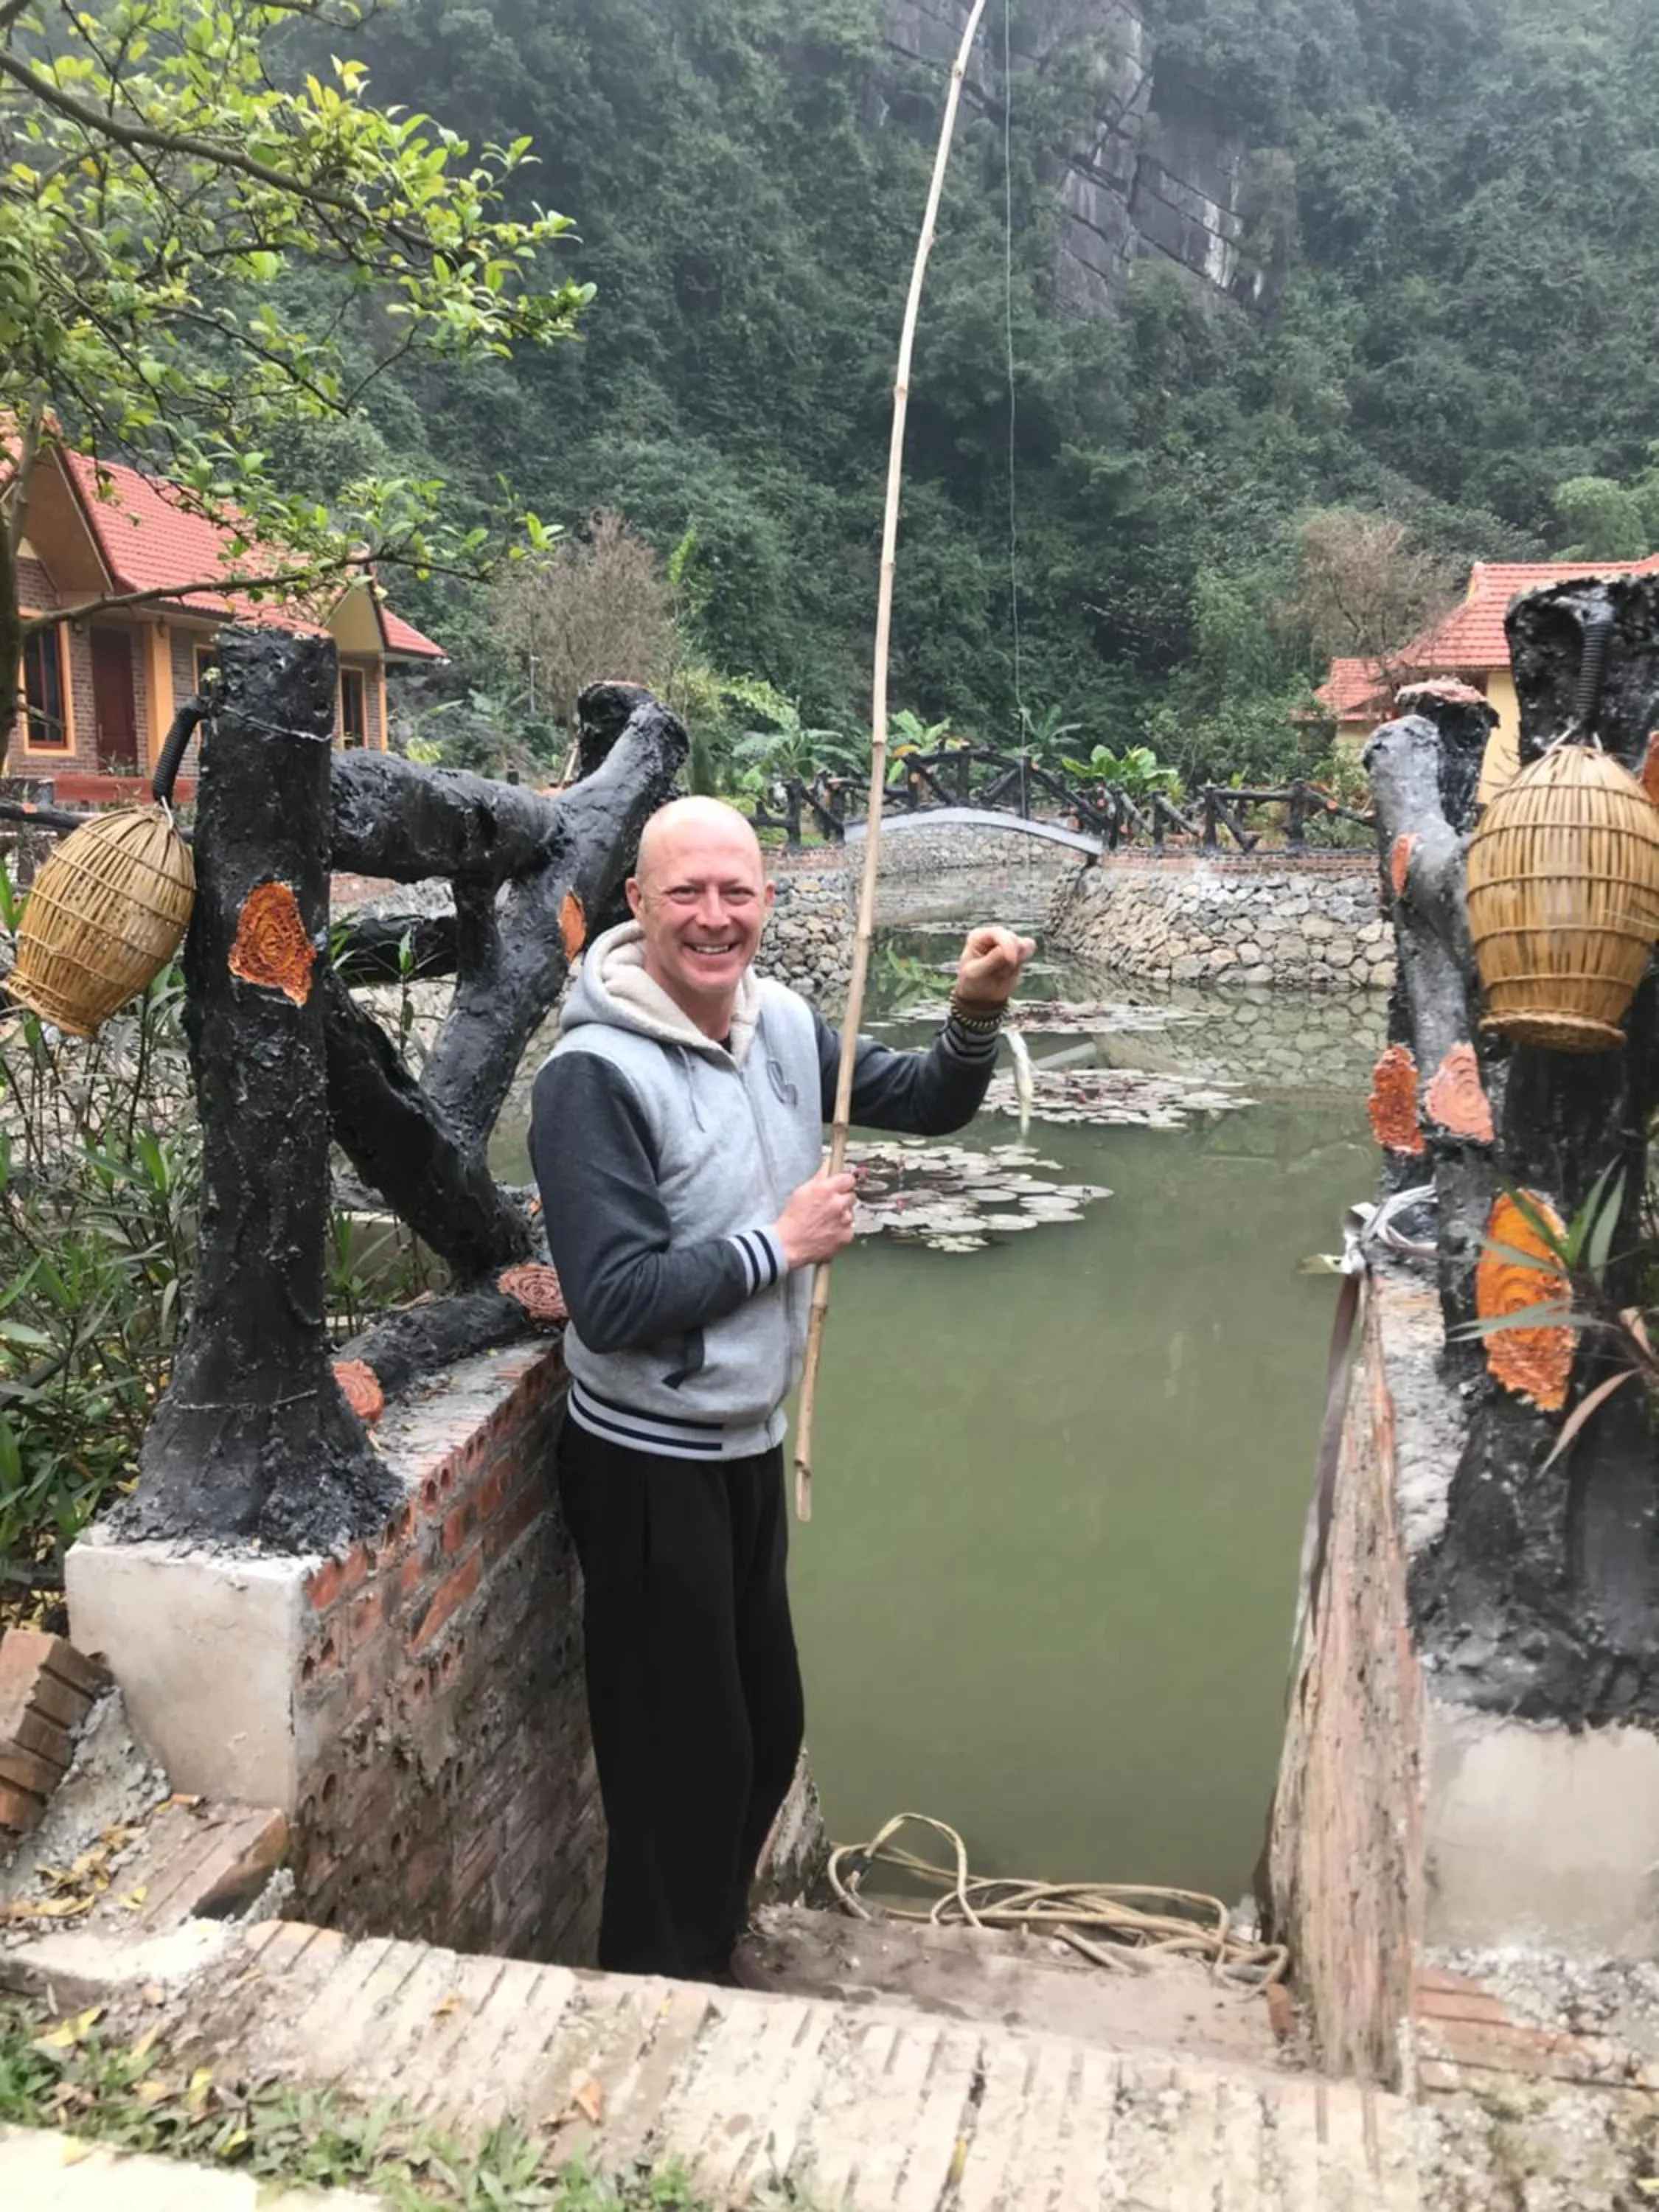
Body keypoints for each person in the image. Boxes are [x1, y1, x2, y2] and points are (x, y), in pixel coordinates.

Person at [529, 796, 1033, 1981]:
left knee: (763, 1738)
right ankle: (658, 1991)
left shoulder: (786, 1022)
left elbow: (920, 1099)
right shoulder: (591, 1075)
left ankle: (704, 1945)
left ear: (767, 900)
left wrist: (975, 1008)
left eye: (737, 892)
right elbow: (609, 1299)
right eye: (687, 894)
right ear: (638, 905)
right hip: (644, 1463)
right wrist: (779, 1244)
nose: (715, 918)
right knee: (676, 1766)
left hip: (740, 1445)